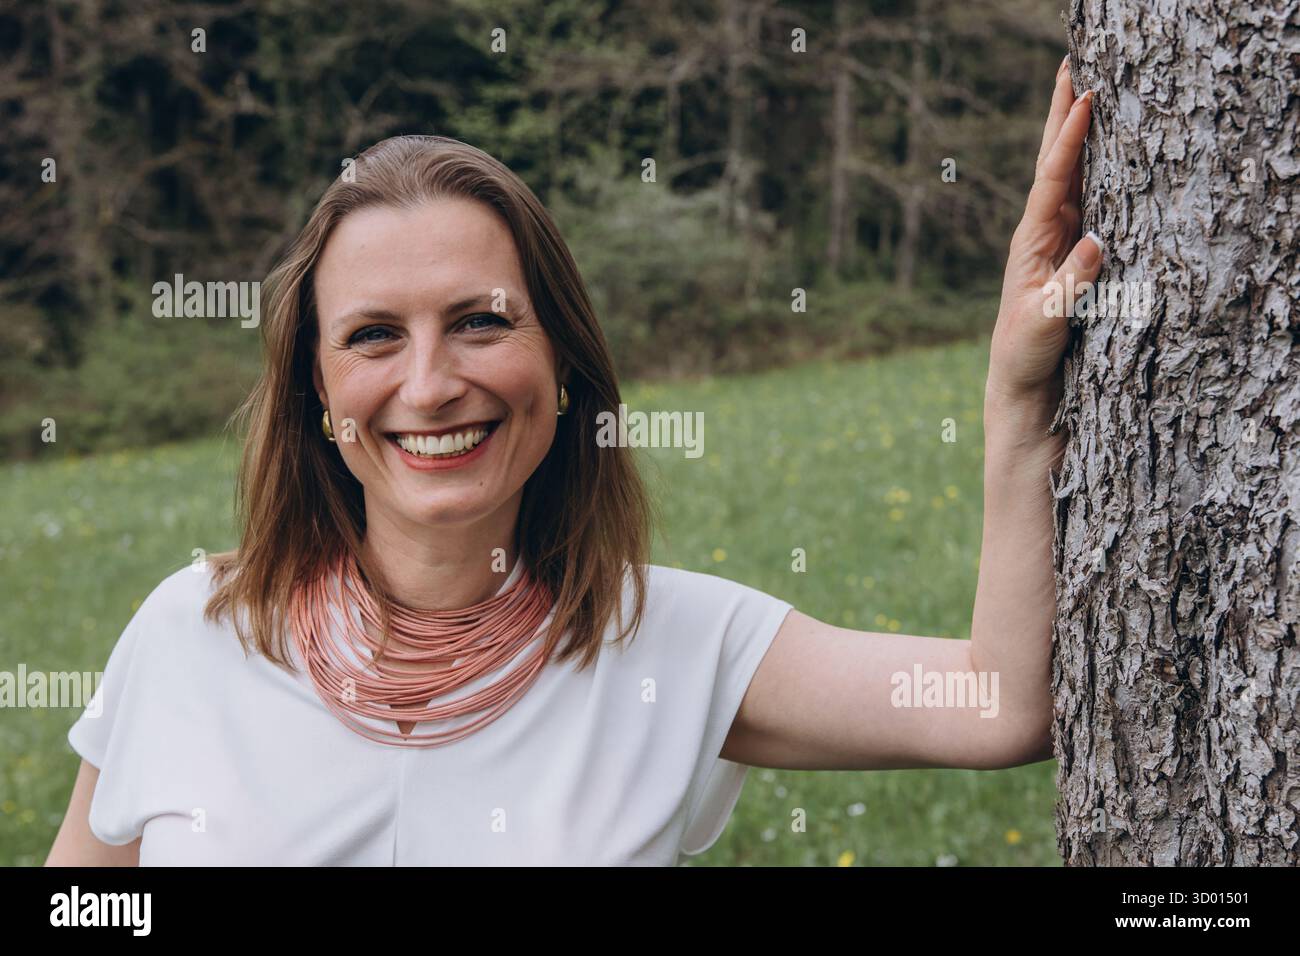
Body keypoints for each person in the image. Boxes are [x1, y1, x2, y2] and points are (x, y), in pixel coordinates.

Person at [46, 59, 1099, 866]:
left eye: (479, 321)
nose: (428, 383)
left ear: (559, 361)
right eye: (372, 335)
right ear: (317, 392)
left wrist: (1012, 396)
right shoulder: (191, 633)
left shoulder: (675, 645)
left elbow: (999, 702)